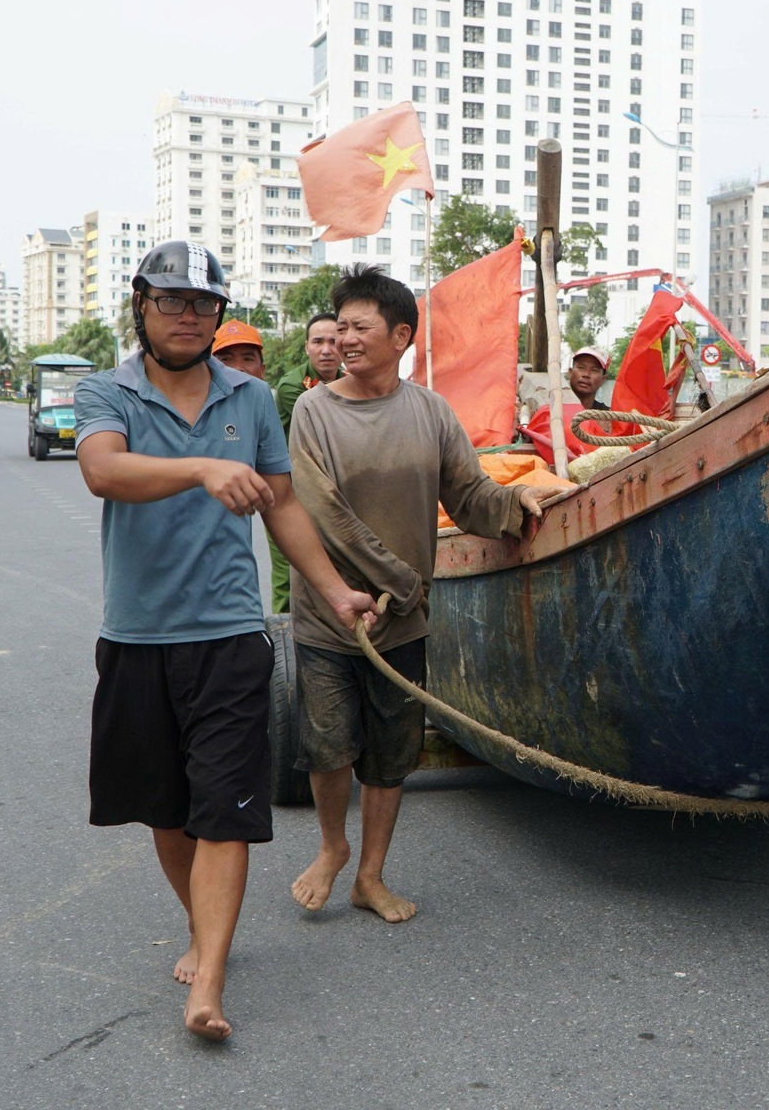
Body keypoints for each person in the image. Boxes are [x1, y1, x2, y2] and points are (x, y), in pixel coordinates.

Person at [72, 241, 381, 1043]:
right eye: (171, 301)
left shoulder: (250, 397)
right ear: (140, 304)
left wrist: (335, 589)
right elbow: (104, 472)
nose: (187, 316)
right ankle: (202, 927)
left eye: (202, 304)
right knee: (166, 814)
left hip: (231, 637)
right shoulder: (107, 390)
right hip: (137, 640)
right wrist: (204, 468)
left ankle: (209, 979)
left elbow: (280, 505)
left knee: (224, 812)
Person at [285, 265, 556, 923]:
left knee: (392, 752)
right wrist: (403, 582)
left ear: (400, 334)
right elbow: (322, 515)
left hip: (402, 627)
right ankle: (332, 847)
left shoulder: (431, 412)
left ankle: (370, 878)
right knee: (328, 746)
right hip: (329, 619)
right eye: (339, 326)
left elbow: (469, 496)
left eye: (359, 326)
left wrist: (519, 501)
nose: (343, 338)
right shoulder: (313, 411)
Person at [268, 311, 343, 613]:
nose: (326, 349)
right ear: (307, 347)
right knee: (287, 570)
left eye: (333, 341)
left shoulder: (346, 380)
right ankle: (283, 643)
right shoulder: (292, 386)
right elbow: (331, 428)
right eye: (318, 342)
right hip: (288, 492)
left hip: (327, 489)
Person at [524, 346, 614, 462]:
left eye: (594, 370)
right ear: (570, 373)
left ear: (603, 379)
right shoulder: (550, 408)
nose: (586, 374)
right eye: (581, 368)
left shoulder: (608, 416)